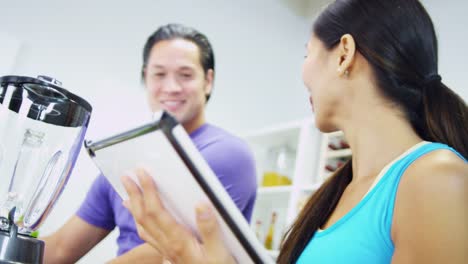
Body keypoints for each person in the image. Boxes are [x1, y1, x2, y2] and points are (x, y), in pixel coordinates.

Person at [121, 0, 468, 263]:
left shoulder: (435, 176)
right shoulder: (337, 193)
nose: (303, 73)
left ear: (344, 54)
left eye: (307, 54)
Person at [42, 23, 258, 263]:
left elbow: (176, 250)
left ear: (208, 81)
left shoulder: (227, 154)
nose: (171, 87)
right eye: (159, 74)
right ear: (145, 77)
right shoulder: (121, 159)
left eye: (185, 75)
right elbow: (62, 248)